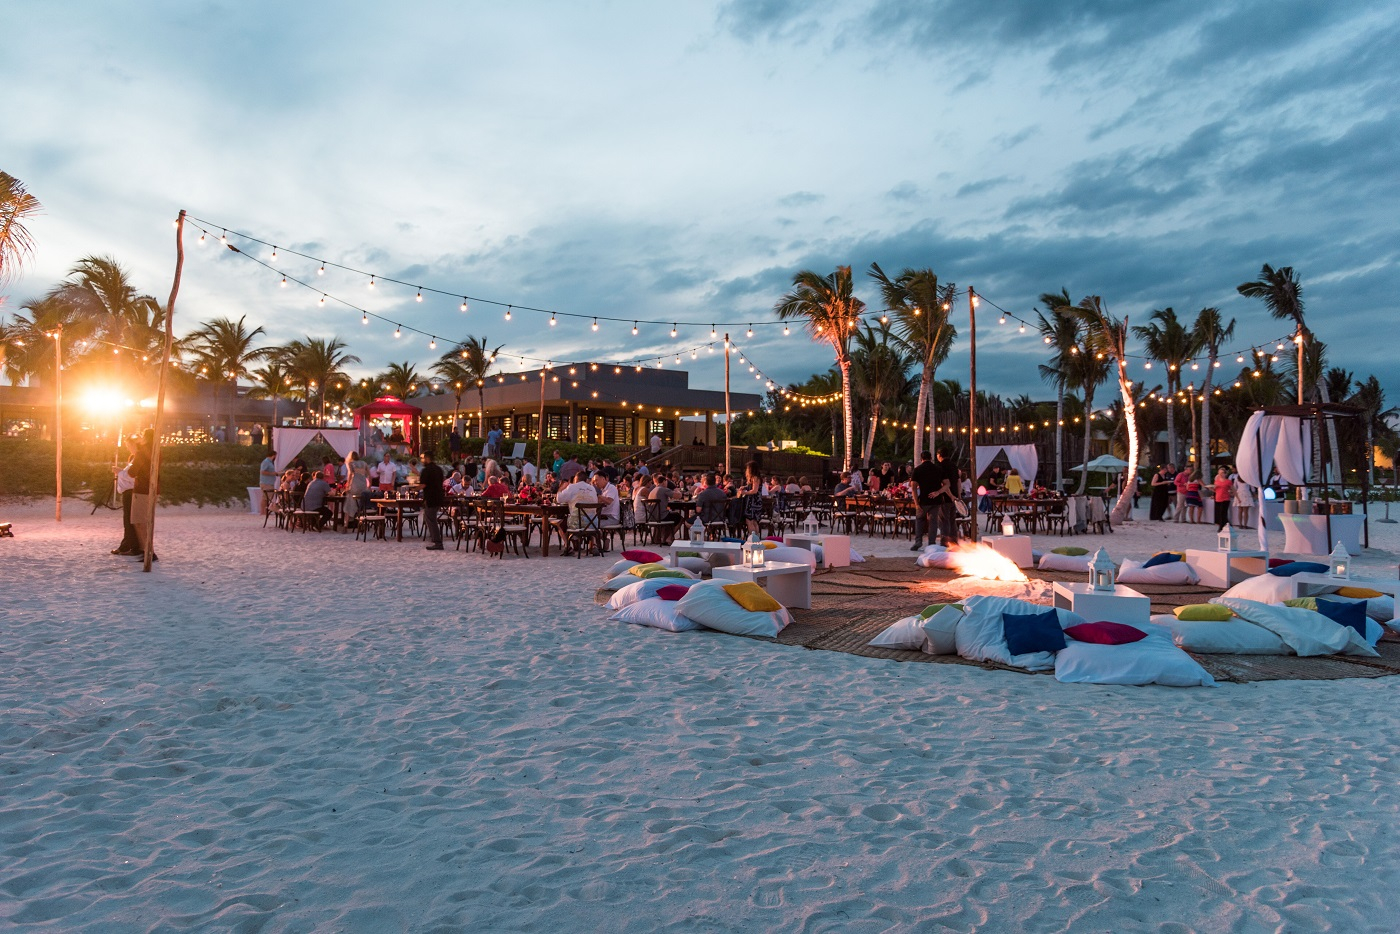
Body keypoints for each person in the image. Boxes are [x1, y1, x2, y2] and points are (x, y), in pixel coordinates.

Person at [129, 429, 156, 561]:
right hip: (152, 488)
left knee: (139, 521)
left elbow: (132, 472)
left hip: (142, 489)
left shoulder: (143, 452)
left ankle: (148, 550)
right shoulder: (156, 451)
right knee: (143, 521)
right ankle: (146, 550)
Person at [112, 436, 141, 555]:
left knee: (129, 520)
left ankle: (130, 546)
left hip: (131, 492)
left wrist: (120, 472)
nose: (128, 448)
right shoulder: (134, 458)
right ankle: (127, 545)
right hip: (128, 492)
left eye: (129, 445)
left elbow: (132, 477)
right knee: (128, 520)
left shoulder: (138, 458)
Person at [909, 450, 941, 551]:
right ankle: (931, 542)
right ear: (931, 458)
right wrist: (938, 492)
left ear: (921, 459)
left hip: (923, 500)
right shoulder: (937, 469)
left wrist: (916, 504)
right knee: (933, 522)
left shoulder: (918, 470)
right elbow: (945, 483)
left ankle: (918, 541)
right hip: (936, 500)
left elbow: (913, 488)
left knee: (920, 520)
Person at [418, 451, 445, 549]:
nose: (421, 460)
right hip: (439, 497)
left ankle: (437, 542)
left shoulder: (426, 470)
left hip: (431, 498)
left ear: (427, 458)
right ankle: (435, 540)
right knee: (430, 519)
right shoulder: (438, 469)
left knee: (431, 520)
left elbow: (423, 485)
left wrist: (413, 488)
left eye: (422, 458)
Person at [259, 449, 278, 515]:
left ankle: (264, 511)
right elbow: (262, 471)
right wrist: (273, 473)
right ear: (273, 455)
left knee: (267, 498)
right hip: (266, 483)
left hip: (269, 483)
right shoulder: (266, 462)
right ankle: (263, 512)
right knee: (265, 498)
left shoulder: (269, 462)